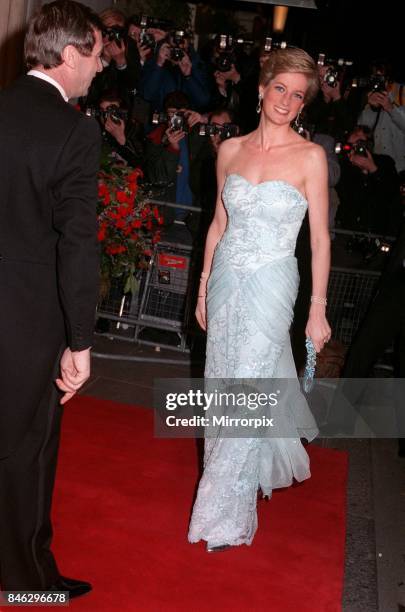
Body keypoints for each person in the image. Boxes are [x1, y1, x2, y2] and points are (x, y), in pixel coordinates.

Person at [188, 47, 331, 551]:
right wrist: (203, 286)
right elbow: (218, 225)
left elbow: (320, 240)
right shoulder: (229, 151)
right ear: (261, 88)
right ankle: (224, 499)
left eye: (297, 95)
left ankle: (224, 514)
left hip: (273, 280)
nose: (286, 102)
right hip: (227, 276)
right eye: (280, 89)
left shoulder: (311, 156)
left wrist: (317, 308)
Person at [0, 0, 103, 597]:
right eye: (94, 56)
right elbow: (77, 245)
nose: (98, 69)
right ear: (69, 56)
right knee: (28, 449)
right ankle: (27, 579)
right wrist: (81, 341)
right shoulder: (73, 130)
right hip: (29, 318)